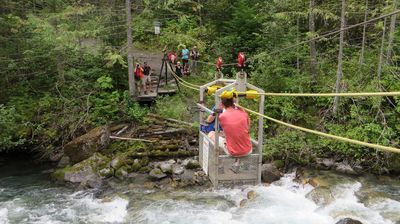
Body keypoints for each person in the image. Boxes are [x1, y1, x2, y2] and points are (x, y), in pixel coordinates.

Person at [208, 97, 252, 172]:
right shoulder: (243, 113)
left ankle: (219, 165)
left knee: (211, 134)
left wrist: (217, 108)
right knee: (239, 136)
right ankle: (237, 164)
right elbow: (248, 126)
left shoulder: (222, 116)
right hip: (248, 150)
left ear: (222, 104)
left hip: (232, 151)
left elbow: (209, 120)